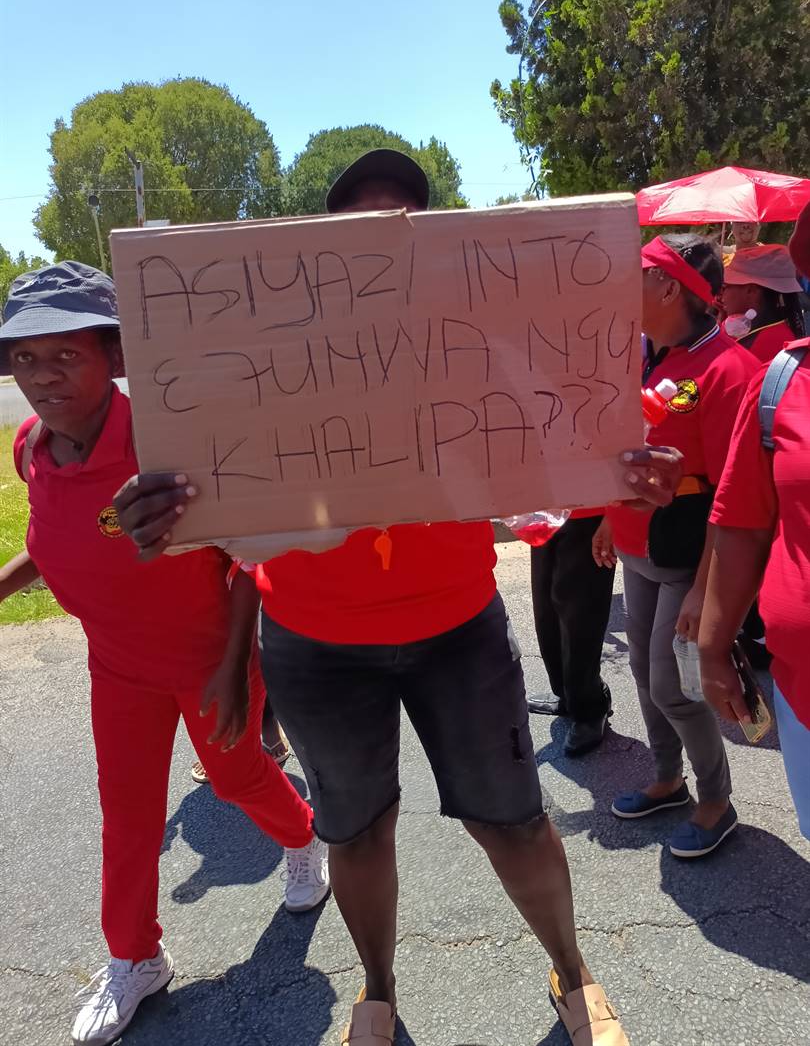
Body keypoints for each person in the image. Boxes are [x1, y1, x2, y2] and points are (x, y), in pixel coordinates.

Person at [115, 149, 685, 1046]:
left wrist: (626, 474)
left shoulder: (474, 349)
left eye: (405, 220)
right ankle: (376, 991)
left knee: (515, 824)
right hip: (313, 647)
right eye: (359, 223)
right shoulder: (261, 363)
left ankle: (573, 972)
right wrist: (161, 523)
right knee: (354, 833)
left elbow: (561, 445)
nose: (382, 239)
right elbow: (229, 532)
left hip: (458, 629)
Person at [0, 262, 330, 1046]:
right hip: (115, 666)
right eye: (24, 358)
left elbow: (248, 550)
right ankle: (135, 957)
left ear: (113, 358)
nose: (41, 377)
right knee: (128, 816)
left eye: (65, 356)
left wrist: (232, 666)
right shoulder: (30, 448)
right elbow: (56, 545)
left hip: (205, 657)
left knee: (237, 773)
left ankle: (304, 837)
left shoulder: (168, 441)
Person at [593, 234, 759, 858]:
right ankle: (668, 780)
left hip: (687, 559)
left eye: (637, 274)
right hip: (639, 547)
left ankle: (716, 800)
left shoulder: (728, 370)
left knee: (673, 685)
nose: (622, 286)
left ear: (669, 287)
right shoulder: (642, 359)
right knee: (643, 671)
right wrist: (612, 518)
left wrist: (702, 588)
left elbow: (731, 496)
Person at [699, 213, 810, 839]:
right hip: (803, 694)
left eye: (739, 290)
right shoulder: (782, 383)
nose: (726, 300)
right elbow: (740, 525)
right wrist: (714, 650)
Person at [526, 507, 615, 756]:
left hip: (590, 513)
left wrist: (614, 518)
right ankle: (566, 694)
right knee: (546, 612)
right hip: (544, 510)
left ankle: (590, 709)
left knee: (581, 617)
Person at [721, 244, 805, 362]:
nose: (721, 294)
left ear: (751, 291)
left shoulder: (771, 344)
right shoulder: (755, 329)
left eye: (725, 287)